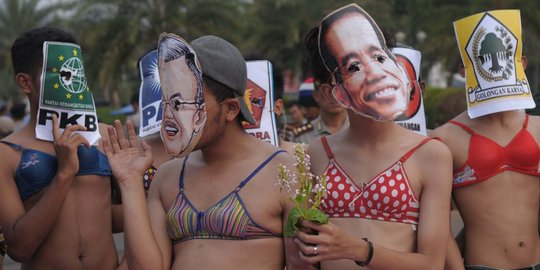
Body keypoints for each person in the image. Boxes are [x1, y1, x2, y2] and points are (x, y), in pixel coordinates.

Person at [103, 34, 309, 270]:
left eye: (187, 104)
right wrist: (130, 183)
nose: (173, 117)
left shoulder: (285, 171)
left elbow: (302, 264)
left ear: (231, 109)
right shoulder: (167, 176)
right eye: (169, 103)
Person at [292, 4, 453, 269]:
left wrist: (358, 249)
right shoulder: (315, 154)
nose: (374, 73)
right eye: (353, 66)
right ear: (333, 91)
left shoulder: (431, 154)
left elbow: (432, 263)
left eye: (379, 58)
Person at [0, 27, 119, 269]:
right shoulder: (6, 154)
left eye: (78, 73)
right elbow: (20, 248)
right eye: (60, 74)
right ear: (25, 83)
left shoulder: (105, 135)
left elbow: (118, 215)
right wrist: (64, 174)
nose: (73, 81)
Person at [431, 53, 540, 270]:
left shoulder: (538, 127)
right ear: (464, 70)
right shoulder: (445, 138)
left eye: (503, 56)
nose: (494, 65)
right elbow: (437, 222)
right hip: (483, 265)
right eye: (482, 58)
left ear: (522, 62)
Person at [291, 27, 349, 144]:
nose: (334, 96)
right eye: (327, 90)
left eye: (339, 90)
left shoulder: (360, 130)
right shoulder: (300, 136)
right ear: (316, 95)